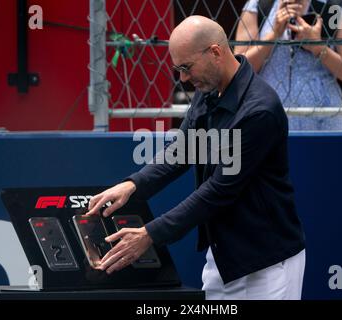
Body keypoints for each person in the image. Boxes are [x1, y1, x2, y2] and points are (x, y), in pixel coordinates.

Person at [86, 15, 306, 300]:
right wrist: (132, 186)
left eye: (186, 68)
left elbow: (218, 191)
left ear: (215, 52)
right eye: (178, 69)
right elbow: (183, 151)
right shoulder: (208, 91)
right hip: (225, 257)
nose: (183, 79)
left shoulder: (259, 111)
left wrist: (149, 235)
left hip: (268, 264)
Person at [235, 0, 342, 130]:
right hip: (269, 123)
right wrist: (273, 36)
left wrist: (318, 48)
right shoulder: (259, 6)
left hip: (324, 125)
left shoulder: (334, 6)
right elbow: (238, 71)